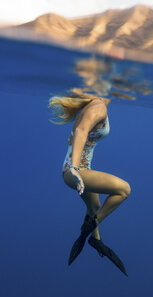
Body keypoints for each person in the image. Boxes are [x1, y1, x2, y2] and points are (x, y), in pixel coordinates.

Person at [48, 92, 131, 276]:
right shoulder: (98, 107)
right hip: (76, 170)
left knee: (94, 205)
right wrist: (76, 168)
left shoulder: (96, 104)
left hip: (75, 169)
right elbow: (81, 131)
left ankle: (96, 240)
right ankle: (89, 230)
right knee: (124, 189)